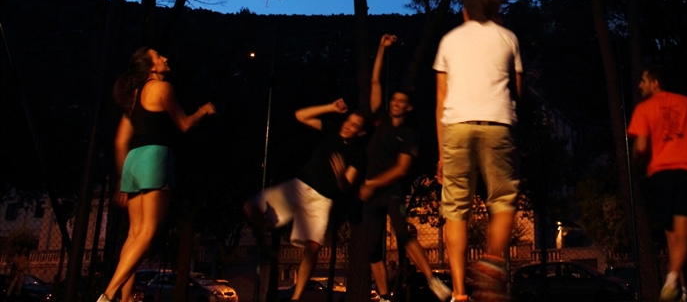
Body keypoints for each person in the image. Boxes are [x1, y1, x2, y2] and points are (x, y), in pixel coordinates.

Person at [98, 47, 216, 302]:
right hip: (154, 158)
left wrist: (121, 178)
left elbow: (120, 142)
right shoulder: (163, 88)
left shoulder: (134, 96)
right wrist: (204, 111)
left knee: (134, 235)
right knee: (148, 232)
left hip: (133, 163)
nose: (165, 58)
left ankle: (124, 298)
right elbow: (184, 124)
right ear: (151, 67)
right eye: (158, 56)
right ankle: (107, 295)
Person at [434, 0, 522, 302]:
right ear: (496, 8)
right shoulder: (508, 38)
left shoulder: (449, 40)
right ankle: (492, 261)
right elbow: (517, 89)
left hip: (456, 126)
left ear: (466, 9)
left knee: (455, 209)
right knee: (503, 200)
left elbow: (440, 99)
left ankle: (459, 294)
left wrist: (442, 153)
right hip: (497, 123)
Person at [244, 99, 367, 302]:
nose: (348, 126)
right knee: (250, 207)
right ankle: (266, 250)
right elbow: (300, 115)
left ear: (360, 132)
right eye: (348, 121)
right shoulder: (332, 130)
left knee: (313, 248)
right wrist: (330, 108)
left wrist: (339, 176)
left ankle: (296, 297)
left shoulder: (358, 154)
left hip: (320, 200)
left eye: (355, 125)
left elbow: (347, 184)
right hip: (299, 186)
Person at [360, 35, 451, 301]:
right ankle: (385, 296)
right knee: (373, 250)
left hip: (392, 193)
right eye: (394, 99)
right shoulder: (379, 121)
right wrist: (380, 48)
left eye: (402, 101)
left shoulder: (409, 136)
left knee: (403, 231)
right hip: (371, 196)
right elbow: (375, 82)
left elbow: (401, 169)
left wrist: (372, 184)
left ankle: (432, 280)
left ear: (408, 107)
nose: (396, 103)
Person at [628, 65, 687, 302]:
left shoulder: (644, 109)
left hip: (660, 176)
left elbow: (642, 147)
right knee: (685, 237)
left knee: (672, 237)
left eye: (643, 80)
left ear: (655, 83)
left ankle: (678, 287)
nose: (640, 85)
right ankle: (676, 283)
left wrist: (636, 157)